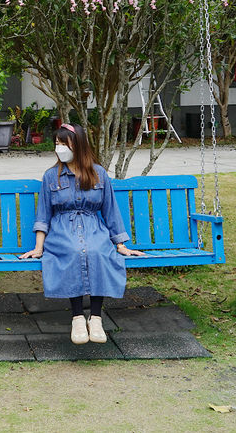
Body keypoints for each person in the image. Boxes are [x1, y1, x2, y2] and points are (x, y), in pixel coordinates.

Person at [19, 124, 143, 344]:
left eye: (63, 144)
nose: (59, 148)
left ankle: (95, 317)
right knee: (73, 251)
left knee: (96, 251)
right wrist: (39, 248)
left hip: (93, 227)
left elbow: (111, 210)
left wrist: (120, 244)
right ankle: (77, 317)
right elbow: (43, 214)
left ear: (77, 145)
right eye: (56, 144)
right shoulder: (51, 176)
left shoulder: (98, 173)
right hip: (62, 230)